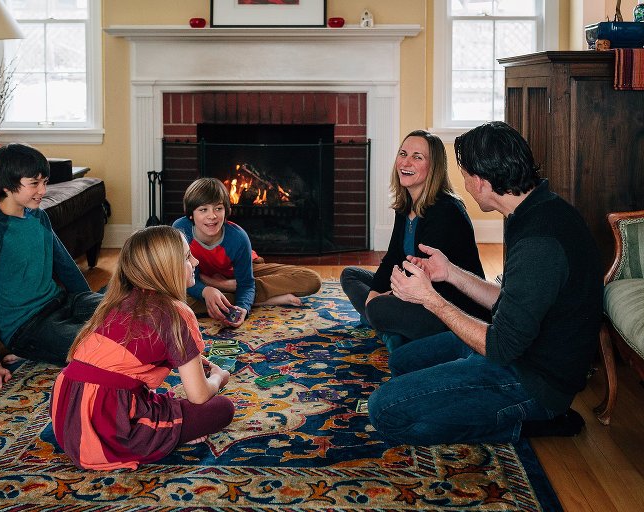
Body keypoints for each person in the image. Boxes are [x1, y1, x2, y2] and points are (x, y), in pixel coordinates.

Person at [368, 121, 602, 446]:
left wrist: (431, 299)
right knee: (402, 362)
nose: (463, 183)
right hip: (521, 350)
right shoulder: (531, 210)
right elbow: (508, 301)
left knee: (385, 411)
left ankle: (527, 423)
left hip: (534, 381)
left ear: (480, 182)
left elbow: (499, 346)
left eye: (465, 176)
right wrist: (449, 272)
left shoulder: (540, 241)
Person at [50, 225, 235, 470]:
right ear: (166, 268)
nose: (196, 260)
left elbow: (124, 359)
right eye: (187, 257)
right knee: (223, 408)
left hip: (67, 410)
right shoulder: (176, 313)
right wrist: (219, 379)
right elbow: (199, 395)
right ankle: (170, 435)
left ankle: (172, 428)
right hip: (107, 424)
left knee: (163, 403)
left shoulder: (120, 301)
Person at [0, 143, 103, 392]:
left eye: (45, 182)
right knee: (96, 346)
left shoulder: (39, 216)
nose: (43, 190)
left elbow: (66, 267)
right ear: (7, 186)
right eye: (34, 183)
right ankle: (34, 350)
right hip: (26, 327)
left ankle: (48, 347)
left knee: (123, 312)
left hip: (60, 303)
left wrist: (91, 304)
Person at [340, 130, 489, 346]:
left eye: (417, 157)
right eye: (403, 154)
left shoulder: (446, 210)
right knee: (351, 275)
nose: (405, 162)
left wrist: (380, 301)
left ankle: (388, 330)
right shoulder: (406, 205)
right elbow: (392, 257)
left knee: (376, 308)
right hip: (416, 294)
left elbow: (424, 278)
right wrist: (375, 294)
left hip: (450, 308)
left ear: (433, 167)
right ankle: (389, 329)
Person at [173, 177, 321, 327]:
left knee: (311, 279)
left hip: (243, 271)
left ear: (226, 210)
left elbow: (246, 283)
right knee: (176, 300)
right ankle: (262, 299)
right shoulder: (180, 230)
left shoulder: (237, 237)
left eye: (218, 208)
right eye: (203, 209)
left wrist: (241, 305)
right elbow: (183, 278)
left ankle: (227, 288)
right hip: (197, 277)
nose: (212, 216)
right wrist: (205, 291)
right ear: (191, 214)